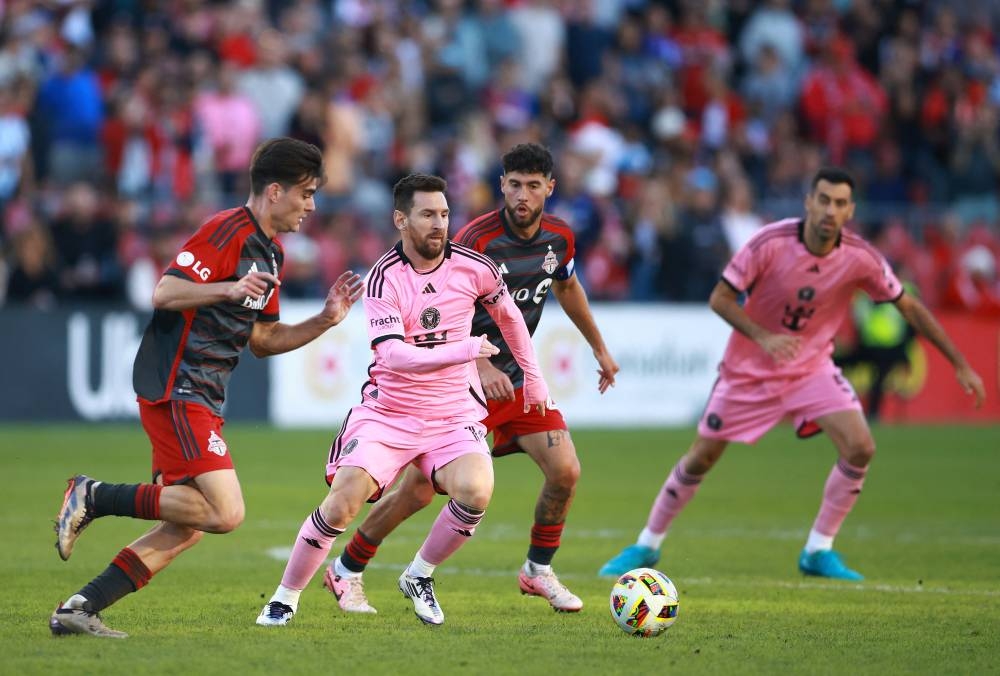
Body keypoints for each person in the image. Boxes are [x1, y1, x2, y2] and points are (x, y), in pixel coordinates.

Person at [599, 167, 986, 581]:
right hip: (749, 371)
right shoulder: (770, 243)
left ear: (850, 210)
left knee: (860, 446)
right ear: (808, 202)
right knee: (701, 457)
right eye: (823, 200)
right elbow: (720, 298)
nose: (830, 210)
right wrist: (763, 337)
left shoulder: (860, 257)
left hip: (811, 368)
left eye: (839, 203)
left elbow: (908, 306)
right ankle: (647, 543)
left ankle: (818, 550)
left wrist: (959, 362)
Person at [50, 137, 365, 638]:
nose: (311, 206)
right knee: (226, 511)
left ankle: (79, 608)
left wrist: (325, 321)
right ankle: (94, 494)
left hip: (204, 393)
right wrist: (227, 287)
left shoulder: (272, 253)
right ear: (275, 191)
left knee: (187, 526)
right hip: (178, 385)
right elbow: (165, 291)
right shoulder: (226, 232)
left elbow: (262, 340)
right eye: (306, 194)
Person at [322, 143, 620, 616]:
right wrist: (477, 365)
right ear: (502, 185)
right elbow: (441, 313)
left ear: (549, 189)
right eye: (514, 184)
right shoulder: (473, 239)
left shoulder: (561, 237)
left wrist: (599, 347)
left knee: (566, 471)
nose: (523, 195)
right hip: (459, 384)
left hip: (516, 383)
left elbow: (567, 286)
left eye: (533, 186)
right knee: (417, 492)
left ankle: (537, 570)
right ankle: (348, 567)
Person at [256, 173, 550, 627]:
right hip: (390, 413)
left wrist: (533, 378)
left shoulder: (475, 267)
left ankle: (420, 575)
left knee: (476, 490)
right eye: (428, 214)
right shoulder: (384, 279)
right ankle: (284, 597)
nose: (439, 224)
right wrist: (467, 349)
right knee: (342, 504)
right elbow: (394, 355)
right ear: (401, 220)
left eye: (445, 214)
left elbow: (509, 317)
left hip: (452, 412)